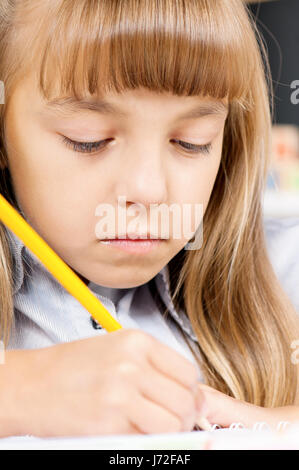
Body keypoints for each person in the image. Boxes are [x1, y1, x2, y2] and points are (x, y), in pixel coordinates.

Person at [0, 0, 298, 438]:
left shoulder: (283, 268)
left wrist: (272, 428)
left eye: (191, 142)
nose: (149, 190)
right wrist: (19, 389)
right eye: (89, 140)